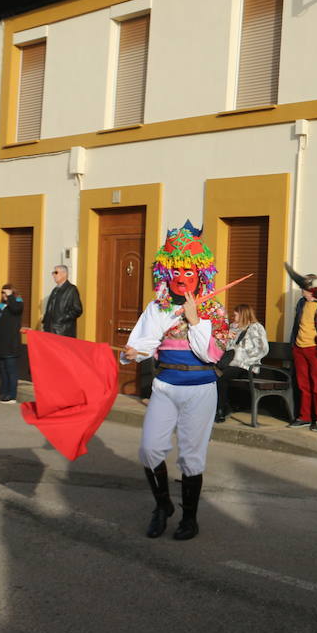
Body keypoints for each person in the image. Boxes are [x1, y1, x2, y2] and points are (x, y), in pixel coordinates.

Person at [121, 221, 229, 541]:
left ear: (200, 272)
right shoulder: (157, 307)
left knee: (191, 457)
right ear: (166, 273)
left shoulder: (215, 310)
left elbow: (213, 354)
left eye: (188, 270)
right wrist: (131, 352)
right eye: (175, 271)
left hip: (200, 390)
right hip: (165, 387)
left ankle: (190, 518)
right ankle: (163, 505)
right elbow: (142, 345)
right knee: (150, 449)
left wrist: (196, 321)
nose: (182, 277)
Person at [287, 268, 317, 432]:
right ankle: (305, 417)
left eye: (305, 287)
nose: (302, 290)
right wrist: (293, 345)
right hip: (299, 348)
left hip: (316, 349)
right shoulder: (301, 303)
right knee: (303, 385)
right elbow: (297, 325)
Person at [214, 303, 267, 423]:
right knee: (213, 375)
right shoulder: (232, 327)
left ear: (243, 314)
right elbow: (224, 346)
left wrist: (239, 354)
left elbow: (262, 349)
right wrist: (226, 338)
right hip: (229, 363)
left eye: (236, 315)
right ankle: (223, 406)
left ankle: (221, 409)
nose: (233, 317)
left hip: (246, 366)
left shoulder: (256, 328)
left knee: (221, 377)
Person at [0, 283, 25, 403]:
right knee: (3, 370)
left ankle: (12, 395)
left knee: (11, 370)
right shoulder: (0, 307)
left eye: (7, 292)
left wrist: (11, 297)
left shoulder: (18, 303)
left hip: (11, 343)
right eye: (3, 292)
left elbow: (16, 309)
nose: (4, 295)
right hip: (0, 344)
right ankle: (3, 394)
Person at [41, 264, 83, 337]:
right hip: (50, 330)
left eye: (56, 272)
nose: (53, 275)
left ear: (64, 274)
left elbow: (77, 310)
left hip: (63, 331)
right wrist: (44, 324)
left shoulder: (71, 289)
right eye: (53, 273)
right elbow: (49, 309)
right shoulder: (55, 290)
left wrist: (62, 319)